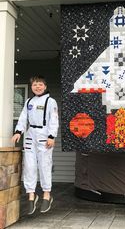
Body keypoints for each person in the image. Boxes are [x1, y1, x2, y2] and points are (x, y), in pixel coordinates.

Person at [11, 75, 59, 215]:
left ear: (45, 86)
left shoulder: (51, 101)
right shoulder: (29, 101)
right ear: (31, 87)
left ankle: (46, 195)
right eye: (34, 85)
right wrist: (18, 131)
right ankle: (31, 195)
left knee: (44, 165)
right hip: (30, 134)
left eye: (40, 84)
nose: (37, 87)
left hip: (44, 135)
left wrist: (51, 136)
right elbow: (23, 117)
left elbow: (53, 119)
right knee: (29, 165)